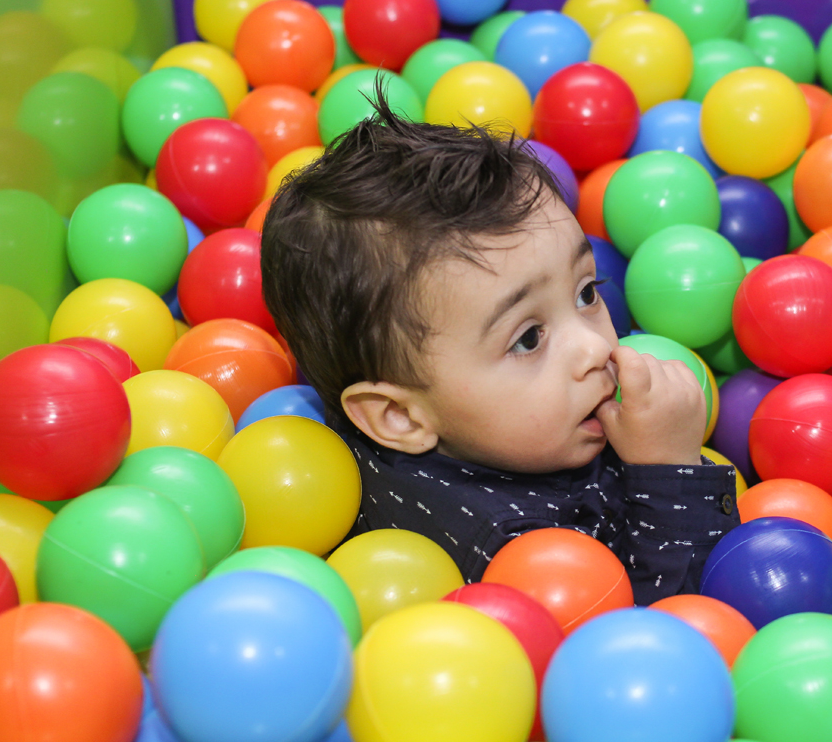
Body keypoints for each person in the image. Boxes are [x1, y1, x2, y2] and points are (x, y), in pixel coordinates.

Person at [260, 91, 739, 605]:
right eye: (528, 338)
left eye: (585, 292)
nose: (595, 346)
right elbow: (666, 625)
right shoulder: (509, 556)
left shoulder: (477, 419)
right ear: (399, 416)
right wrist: (670, 469)